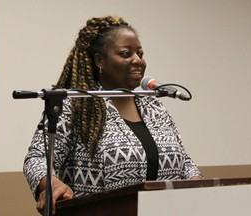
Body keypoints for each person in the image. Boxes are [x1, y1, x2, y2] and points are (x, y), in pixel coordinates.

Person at [23, 16, 202, 215]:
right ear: (100, 60)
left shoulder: (153, 105)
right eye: (126, 54)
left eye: (140, 53)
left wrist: (197, 183)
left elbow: (184, 160)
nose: (138, 60)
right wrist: (52, 185)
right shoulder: (75, 104)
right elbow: (37, 158)